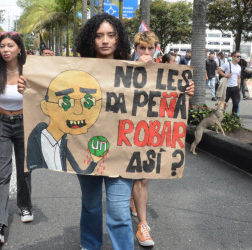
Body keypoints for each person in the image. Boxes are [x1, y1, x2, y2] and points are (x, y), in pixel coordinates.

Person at [73, 13, 134, 250]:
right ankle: (90, 245)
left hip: (122, 151)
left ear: (119, 39)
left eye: (111, 35)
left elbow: (155, 102)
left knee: (119, 211)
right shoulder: (76, 70)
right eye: (99, 36)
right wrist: (28, 86)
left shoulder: (133, 71)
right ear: (91, 39)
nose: (105, 41)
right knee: (91, 205)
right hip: (86, 149)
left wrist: (183, 91)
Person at [131, 30, 194, 247]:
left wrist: (187, 91)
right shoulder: (122, 69)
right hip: (124, 130)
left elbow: (173, 98)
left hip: (148, 131)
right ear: (136, 49)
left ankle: (143, 225)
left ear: (156, 49)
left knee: (143, 177)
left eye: (150, 48)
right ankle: (131, 204)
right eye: (142, 48)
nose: (146, 52)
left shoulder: (167, 73)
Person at [0, 31, 33, 245]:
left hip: (25, 122)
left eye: (10, 46)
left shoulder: (28, 72)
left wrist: (29, 89)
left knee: (24, 169)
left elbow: (41, 99)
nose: (6, 50)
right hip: (1, 123)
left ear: (19, 48)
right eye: (2, 46)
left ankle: (25, 205)